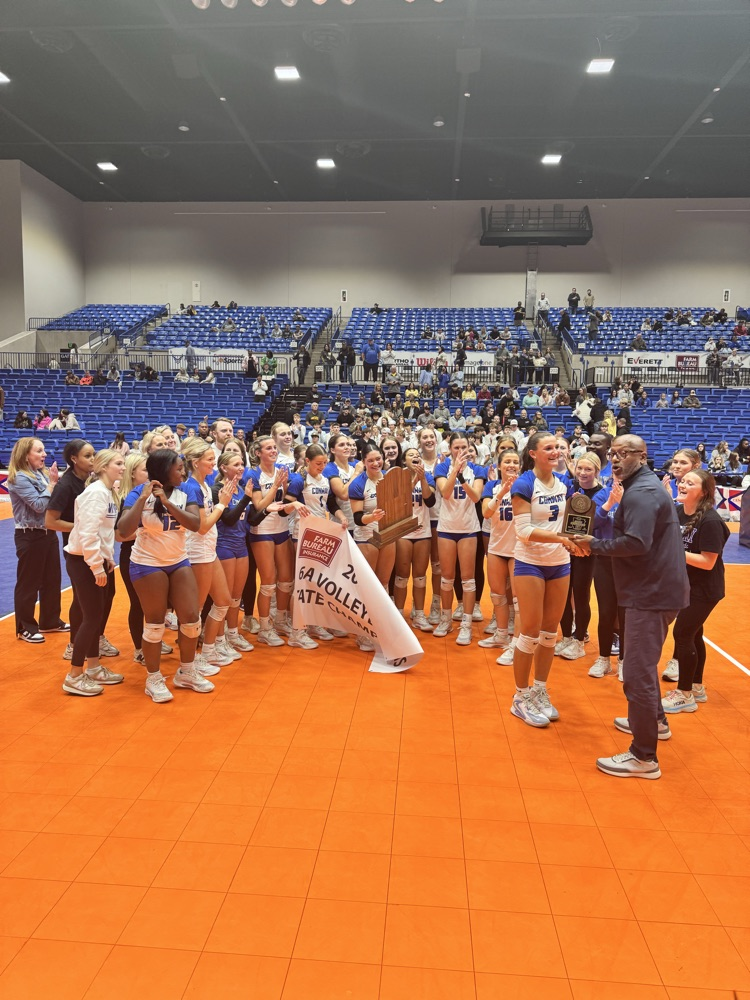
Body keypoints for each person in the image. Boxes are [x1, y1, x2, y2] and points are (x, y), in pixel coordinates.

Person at [574, 435, 690, 779]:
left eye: (624, 454)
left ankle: (643, 757)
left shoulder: (640, 493)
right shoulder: (646, 485)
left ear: (642, 455)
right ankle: (655, 720)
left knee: (638, 673)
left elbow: (636, 544)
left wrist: (594, 544)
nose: (615, 459)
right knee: (643, 666)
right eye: (612, 453)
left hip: (650, 593)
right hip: (658, 588)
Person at [117, 448, 209, 702]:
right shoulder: (139, 493)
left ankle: (187, 672)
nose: (183, 472)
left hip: (178, 560)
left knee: (191, 618)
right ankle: (154, 678)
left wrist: (167, 504)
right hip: (147, 563)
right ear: (163, 470)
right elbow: (123, 531)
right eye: (178, 468)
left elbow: (194, 524)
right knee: (155, 622)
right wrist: (142, 499)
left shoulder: (187, 490)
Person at [508, 432, 578, 728]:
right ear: (534, 453)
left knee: (551, 634)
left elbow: (570, 518)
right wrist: (562, 538)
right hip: (530, 562)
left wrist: (577, 537)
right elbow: (523, 531)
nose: (555, 451)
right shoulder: (524, 483)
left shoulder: (564, 483)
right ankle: (520, 697)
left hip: (559, 562)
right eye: (548, 448)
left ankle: (539, 690)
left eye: (557, 447)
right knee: (530, 633)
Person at [661, 470, 728, 715]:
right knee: (695, 634)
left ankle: (685, 694)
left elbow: (707, 562)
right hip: (686, 584)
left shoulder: (710, 521)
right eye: (683, 481)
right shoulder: (679, 512)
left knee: (683, 633)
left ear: (704, 492)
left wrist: (674, 551)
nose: (683, 484)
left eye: (691, 482)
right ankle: (697, 687)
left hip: (705, 589)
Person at [46, 438, 118, 663]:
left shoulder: (92, 481)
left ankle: (95, 638)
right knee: (82, 601)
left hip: (95, 548)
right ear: (73, 459)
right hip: (79, 550)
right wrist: (85, 528)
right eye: (87, 456)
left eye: (93, 454)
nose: (92, 459)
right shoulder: (67, 485)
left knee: (106, 594)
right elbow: (50, 521)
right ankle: (75, 644)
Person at [61, 449, 125, 696]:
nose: (122, 467)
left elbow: (104, 533)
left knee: (96, 616)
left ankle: (94, 667)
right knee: (91, 618)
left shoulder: (107, 492)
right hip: (83, 562)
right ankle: (74, 676)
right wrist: (96, 566)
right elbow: (87, 534)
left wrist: (107, 558)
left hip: (95, 560)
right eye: (118, 463)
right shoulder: (95, 494)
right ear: (103, 466)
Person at [181, 437, 241, 670]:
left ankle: (208, 650)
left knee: (223, 601)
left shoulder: (204, 485)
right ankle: (191, 662)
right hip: (197, 552)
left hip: (209, 550)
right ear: (195, 462)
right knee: (194, 610)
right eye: (209, 460)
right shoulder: (191, 487)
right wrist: (222, 503)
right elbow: (202, 526)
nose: (213, 464)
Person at [8, 437, 68, 642]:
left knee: (52, 579)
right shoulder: (18, 478)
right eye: (39, 451)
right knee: (29, 582)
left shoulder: (39, 474)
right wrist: (52, 484)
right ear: (26, 455)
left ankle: (50, 621)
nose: (44, 454)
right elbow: (39, 505)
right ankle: (25, 626)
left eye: (44, 450)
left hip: (48, 533)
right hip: (29, 535)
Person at [433, 432, 487, 644]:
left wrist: (463, 476)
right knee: (447, 578)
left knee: (468, 578)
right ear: (450, 448)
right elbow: (445, 493)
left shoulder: (478, 469)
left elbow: (476, 497)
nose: (460, 452)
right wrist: (455, 469)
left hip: (468, 528)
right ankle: (446, 619)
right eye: (456, 448)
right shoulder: (441, 468)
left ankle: (466, 624)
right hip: (446, 527)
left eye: (464, 447)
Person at [556, 452, 603, 661]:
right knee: (563, 595)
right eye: (580, 469)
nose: (583, 473)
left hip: (586, 551)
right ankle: (566, 637)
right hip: (566, 548)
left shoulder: (602, 493)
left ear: (597, 471)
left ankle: (578, 641)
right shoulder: (569, 488)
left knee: (581, 595)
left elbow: (601, 524)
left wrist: (587, 544)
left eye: (588, 469)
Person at [478, 447, 520, 652]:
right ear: (498, 466)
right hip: (496, 547)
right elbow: (486, 512)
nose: (511, 465)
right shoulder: (491, 486)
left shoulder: (525, 485)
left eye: (515, 462)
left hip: (519, 549)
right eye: (507, 462)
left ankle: (517, 642)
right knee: (497, 594)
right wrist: (502, 492)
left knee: (518, 600)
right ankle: (502, 634)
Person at [391, 447, 436, 632]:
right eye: (411, 455)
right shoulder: (397, 476)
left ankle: (419, 614)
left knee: (420, 576)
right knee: (401, 576)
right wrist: (414, 480)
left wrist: (422, 478)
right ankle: (399, 615)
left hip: (422, 530)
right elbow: (398, 501)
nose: (416, 456)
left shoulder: (428, 476)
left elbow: (430, 501)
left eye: (417, 455)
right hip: (403, 531)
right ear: (403, 461)